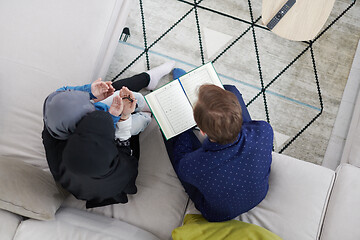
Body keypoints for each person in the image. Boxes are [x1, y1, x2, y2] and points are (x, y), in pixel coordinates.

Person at [42, 61, 175, 208]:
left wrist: (91, 91)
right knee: (137, 120)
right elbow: (120, 145)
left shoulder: (54, 112)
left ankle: (148, 80)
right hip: (110, 165)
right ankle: (147, 113)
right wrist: (123, 117)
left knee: (115, 93)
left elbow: (64, 93)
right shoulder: (100, 159)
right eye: (92, 109)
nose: (96, 105)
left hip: (91, 145)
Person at [164, 68, 274, 222]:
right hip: (259, 194)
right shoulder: (264, 131)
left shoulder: (192, 166)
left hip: (218, 213)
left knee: (171, 131)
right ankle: (192, 95)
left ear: (202, 131)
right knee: (230, 90)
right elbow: (250, 126)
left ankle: (179, 97)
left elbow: (184, 164)